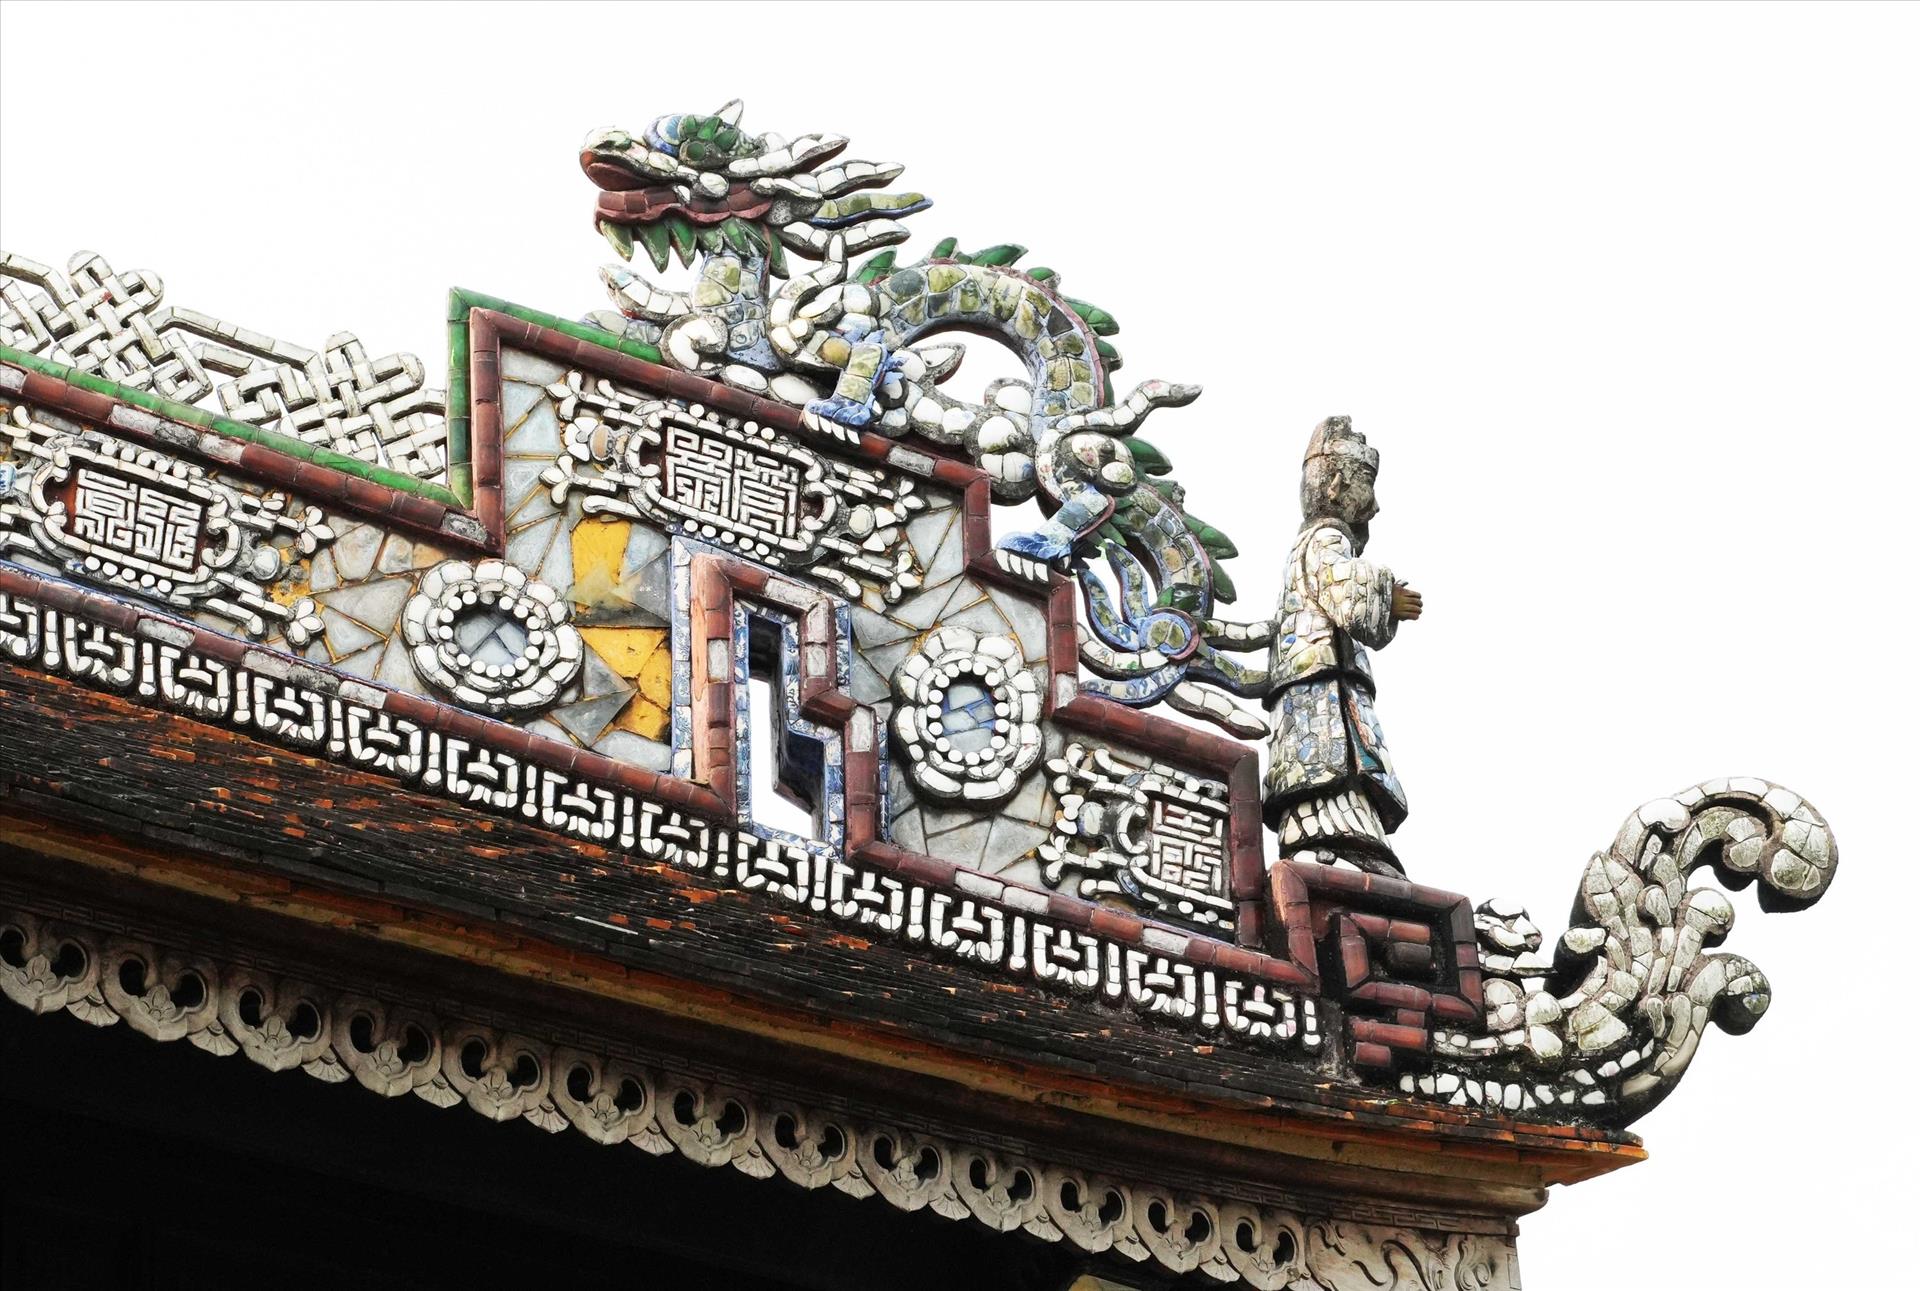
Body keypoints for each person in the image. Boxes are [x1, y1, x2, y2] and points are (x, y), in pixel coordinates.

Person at [1262, 417, 1422, 877]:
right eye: (1366, 485)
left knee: (1335, 756)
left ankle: (1338, 840)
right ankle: (1334, 842)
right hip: (1319, 685)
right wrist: (1386, 596)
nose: (1374, 505)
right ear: (1335, 484)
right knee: (1330, 760)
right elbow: (1344, 589)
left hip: (1321, 681)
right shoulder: (1324, 539)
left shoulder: (1313, 542)